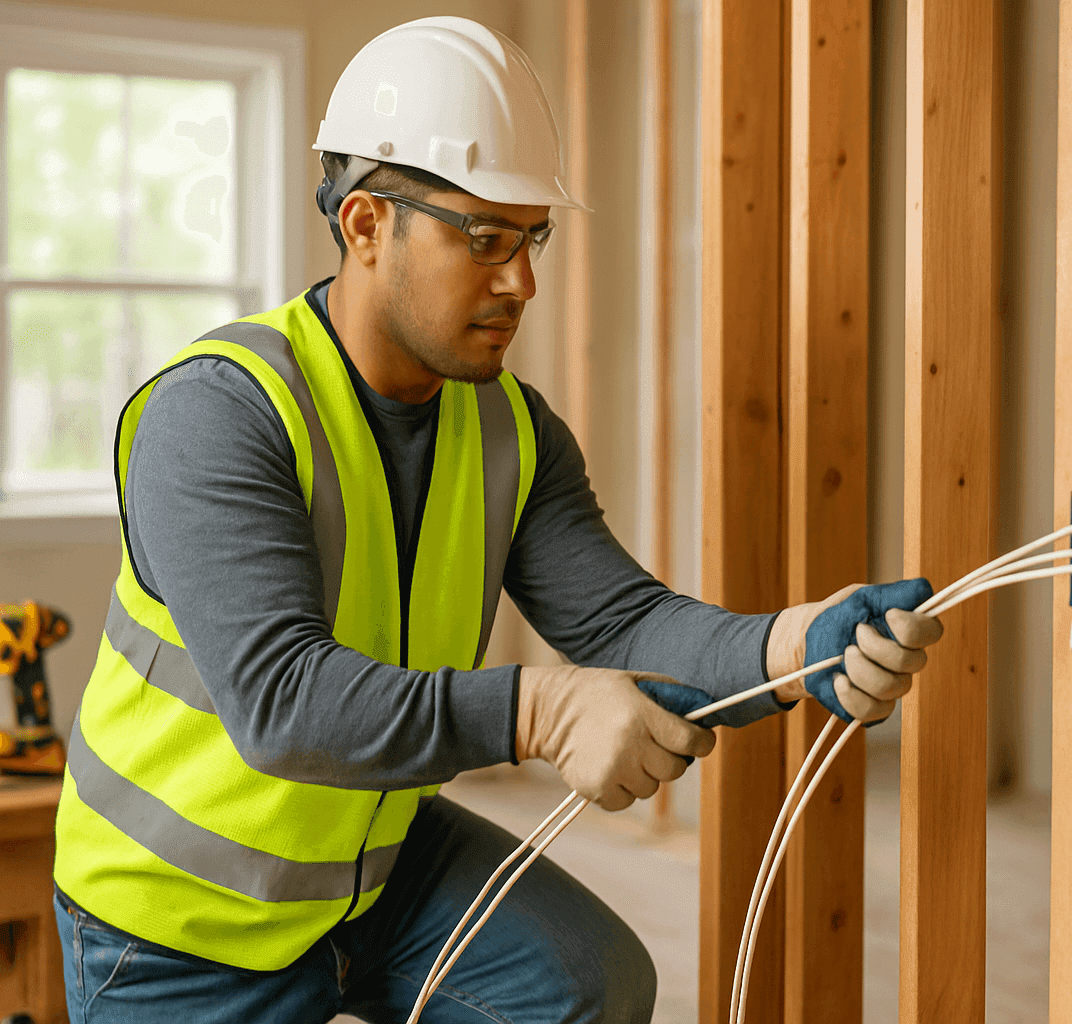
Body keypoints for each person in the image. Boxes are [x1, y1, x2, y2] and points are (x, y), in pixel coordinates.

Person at [50, 16, 941, 1024]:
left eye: (532, 238)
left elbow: (621, 624)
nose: (522, 281)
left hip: (368, 873)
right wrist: (543, 711)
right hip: (173, 928)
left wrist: (797, 647)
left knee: (588, 985)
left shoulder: (510, 429)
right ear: (366, 225)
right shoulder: (218, 413)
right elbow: (283, 703)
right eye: (484, 239)